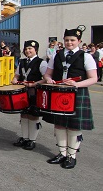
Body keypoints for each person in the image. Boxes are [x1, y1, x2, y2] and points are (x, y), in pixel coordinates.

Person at [43, 28, 97, 169]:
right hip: (59, 94)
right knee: (59, 124)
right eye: (67, 40)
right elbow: (48, 74)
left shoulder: (85, 57)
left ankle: (71, 156)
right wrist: (49, 80)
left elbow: (93, 78)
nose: (69, 42)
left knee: (74, 126)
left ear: (79, 41)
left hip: (77, 94)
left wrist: (76, 84)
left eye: (72, 40)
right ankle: (62, 153)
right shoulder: (57, 55)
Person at [11, 40, 47, 150]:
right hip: (22, 91)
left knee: (33, 115)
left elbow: (46, 78)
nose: (27, 51)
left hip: (34, 92)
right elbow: (17, 76)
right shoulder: (21, 61)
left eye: (30, 49)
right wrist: (14, 80)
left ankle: (32, 139)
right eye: (26, 49)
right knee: (23, 115)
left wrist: (34, 84)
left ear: (35, 50)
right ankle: (25, 137)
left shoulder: (41, 62)